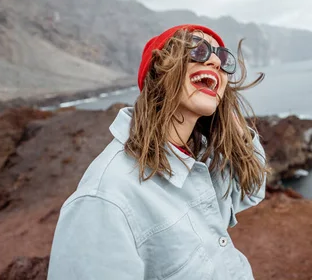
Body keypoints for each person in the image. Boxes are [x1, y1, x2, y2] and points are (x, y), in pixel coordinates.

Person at [48, 24, 268, 279]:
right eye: (197, 50)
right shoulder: (105, 197)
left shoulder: (199, 161)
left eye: (222, 56)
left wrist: (238, 133)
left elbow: (250, 190)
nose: (216, 61)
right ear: (158, 72)